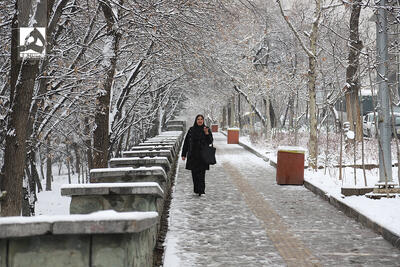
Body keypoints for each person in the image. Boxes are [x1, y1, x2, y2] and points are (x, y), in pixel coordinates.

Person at [181, 114, 213, 196]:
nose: (200, 121)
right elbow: (186, 142)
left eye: (201, 119)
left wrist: (206, 133)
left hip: (203, 156)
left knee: (202, 174)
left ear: (203, 120)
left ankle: (201, 191)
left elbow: (210, 141)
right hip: (193, 156)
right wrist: (184, 154)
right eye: (198, 119)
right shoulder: (191, 130)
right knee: (194, 174)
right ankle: (196, 189)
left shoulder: (206, 129)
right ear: (196, 120)